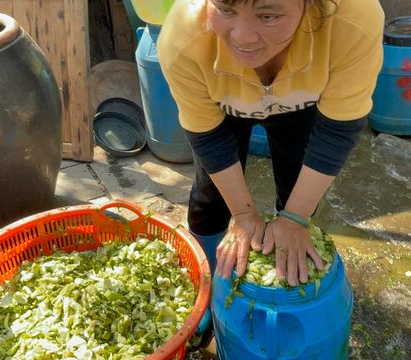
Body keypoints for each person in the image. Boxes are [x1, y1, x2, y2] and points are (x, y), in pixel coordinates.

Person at [157, 0, 383, 335]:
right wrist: (244, 215)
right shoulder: (183, 36)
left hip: (303, 102)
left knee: (298, 188)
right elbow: (207, 137)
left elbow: (337, 130)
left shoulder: (353, 20)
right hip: (223, 106)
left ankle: (286, 274)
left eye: (268, 15)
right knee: (210, 197)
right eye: (226, 9)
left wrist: (294, 217)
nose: (243, 37)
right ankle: (206, 283)